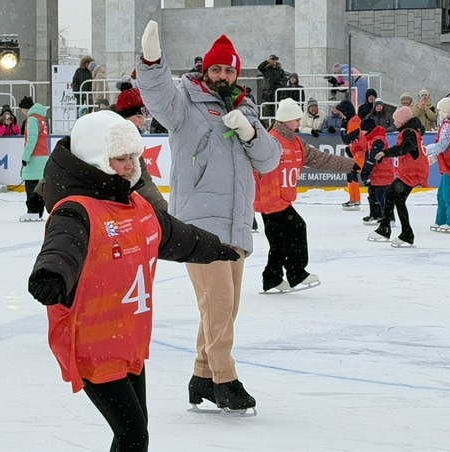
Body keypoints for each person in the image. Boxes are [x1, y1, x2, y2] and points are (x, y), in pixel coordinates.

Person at [28, 111, 240, 451]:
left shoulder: (135, 205)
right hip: (93, 343)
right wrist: (51, 275)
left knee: (135, 432)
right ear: (97, 160)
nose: (130, 165)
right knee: (132, 434)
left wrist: (215, 247)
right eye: (120, 158)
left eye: (133, 157)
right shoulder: (76, 210)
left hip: (127, 339)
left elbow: (173, 236)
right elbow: (62, 248)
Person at [136, 21, 281, 412]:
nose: (222, 76)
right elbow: (157, 94)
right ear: (206, 70)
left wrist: (250, 132)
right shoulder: (185, 102)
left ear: (237, 72)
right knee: (217, 305)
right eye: (216, 69)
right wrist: (151, 61)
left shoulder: (247, 109)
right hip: (198, 226)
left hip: (236, 223)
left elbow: (269, 161)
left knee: (225, 308)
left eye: (229, 70)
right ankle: (225, 379)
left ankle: (201, 376)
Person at [255, 99, 356, 293]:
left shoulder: (297, 142)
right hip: (271, 198)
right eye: (296, 119)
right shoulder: (271, 140)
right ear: (286, 120)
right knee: (297, 227)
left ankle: (272, 278)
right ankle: (296, 273)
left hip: (280, 199)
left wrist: (349, 165)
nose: (299, 123)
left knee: (278, 242)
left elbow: (321, 158)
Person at [367, 106, 428, 246]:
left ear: (402, 120)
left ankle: (385, 228)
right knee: (398, 200)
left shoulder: (408, 132)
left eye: (396, 119)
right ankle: (406, 233)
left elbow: (405, 148)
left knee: (389, 194)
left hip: (412, 173)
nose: (394, 122)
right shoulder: (411, 130)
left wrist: (385, 153)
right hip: (412, 172)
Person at [114, 82, 169, 211]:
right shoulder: (109, 136)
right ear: (125, 117)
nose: (142, 121)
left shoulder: (130, 139)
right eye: (138, 117)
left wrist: (163, 209)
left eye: (143, 117)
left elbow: (142, 178)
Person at [424, 97, 450, 233]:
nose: (439, 113)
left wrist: (426, 151)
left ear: (445, 111)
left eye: (440, 110)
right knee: (441, 193)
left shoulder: (448, 126)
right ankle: (441, 220)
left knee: (447, 194)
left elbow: (442, 145)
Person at [358, 118, 394, 225]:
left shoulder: (378, 139)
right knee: (372, 193)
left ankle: (389, 218)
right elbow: (368, 156)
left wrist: (366, 169)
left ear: (368, 129)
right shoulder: (371, 139)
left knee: (381, 196)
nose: (361, 132)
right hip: (376, 173)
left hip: (383, 172)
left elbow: (373, 157)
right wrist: (365, 169)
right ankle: (375, 215)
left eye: (363, 130)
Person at [18, 96, 49, 222]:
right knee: (39, 186)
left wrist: (25, 157)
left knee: (30, 184)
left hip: (34, 157)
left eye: (22, 109)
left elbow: (31, 139)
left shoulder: (32, 119)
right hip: (43, 155)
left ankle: (32, 211)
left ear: (26, 108)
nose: (21, 112)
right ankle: (39, 210)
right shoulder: (41, 118)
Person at [336, 100, 363, 211]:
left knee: (352, 173)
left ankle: (355, 200)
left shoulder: (354, 122)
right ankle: (354, 199)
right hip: (358, 153)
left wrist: (342, 128)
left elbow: (347, 139)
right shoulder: (352, 120)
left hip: (361, 153)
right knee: (351, 173)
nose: (341, 116)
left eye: (341, 113)